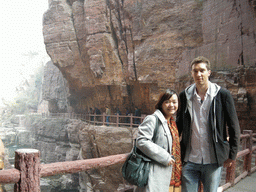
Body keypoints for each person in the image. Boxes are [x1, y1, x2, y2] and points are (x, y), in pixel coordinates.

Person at [176, 56, 240, 192]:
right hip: (189, 160)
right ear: (191, 73)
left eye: (202, 70)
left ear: (209, 72)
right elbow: (178, 126)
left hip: (213, 161)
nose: (198, 74)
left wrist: (232, 155)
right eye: (195, 71)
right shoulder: (184, 96)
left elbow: (234, 126)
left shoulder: (222, 95)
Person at [135, 89, 182, 192]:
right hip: (155, 174)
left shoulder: (172, 123)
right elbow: (141, 141)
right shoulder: (153, 119)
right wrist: (165, 157)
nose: (171, 105)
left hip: (171, 174)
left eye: (174, 102)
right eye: (167, 102)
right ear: (161, 104)